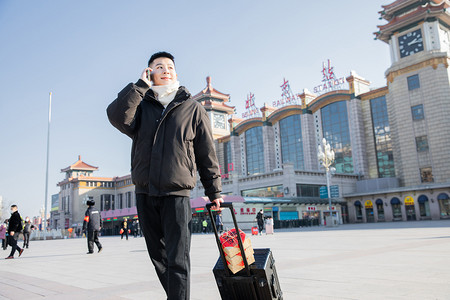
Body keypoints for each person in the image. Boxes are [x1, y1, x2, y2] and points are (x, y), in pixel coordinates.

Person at [107, 51, 223, 300]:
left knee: (178, 258)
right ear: (150, 73)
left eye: (169, 66)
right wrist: (139, 87)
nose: (165, 69)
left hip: (176, 193)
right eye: (158, 66)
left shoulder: (192, 109)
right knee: (158, 258)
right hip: (145, 191)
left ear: (176, 73)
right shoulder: (141, 106)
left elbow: (206, 153)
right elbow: (116, 116)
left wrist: (215, 192)